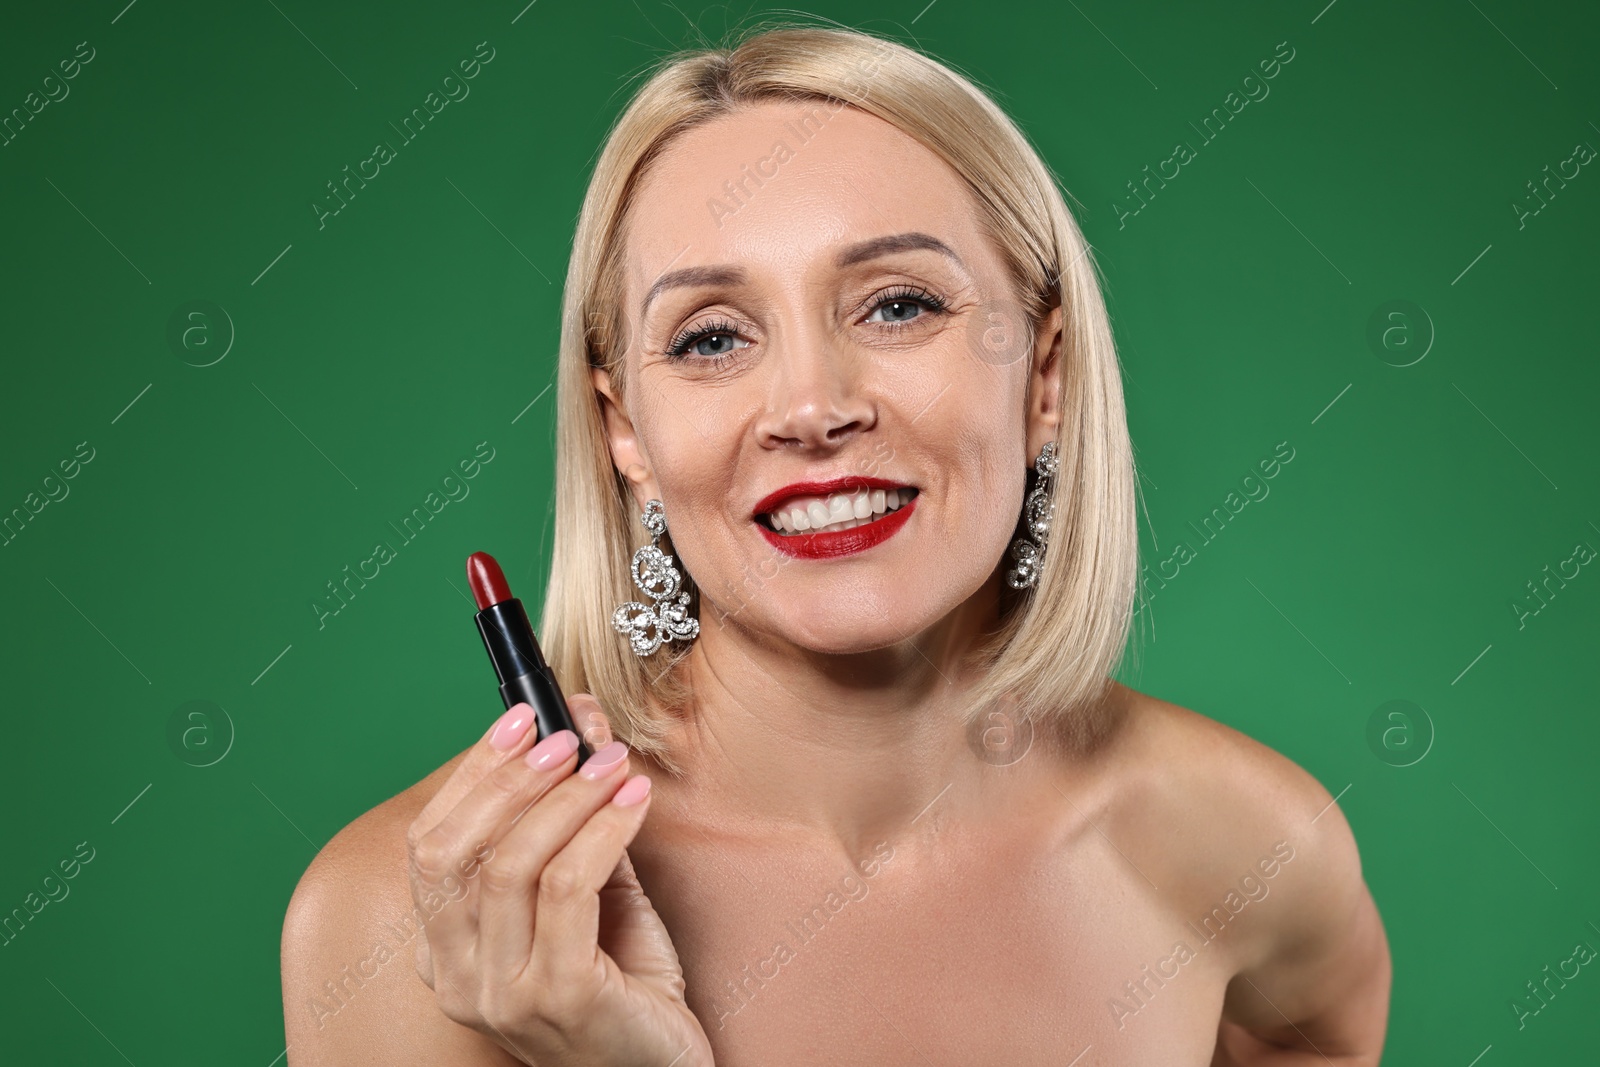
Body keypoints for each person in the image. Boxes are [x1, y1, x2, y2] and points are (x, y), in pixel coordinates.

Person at [280, 21, 1390, 1066]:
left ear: (1043, 376)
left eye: (898, 305)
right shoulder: (419, 921)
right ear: (626, 430)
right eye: (712, 336)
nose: (811, 405)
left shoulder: (1250, 845)